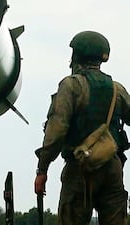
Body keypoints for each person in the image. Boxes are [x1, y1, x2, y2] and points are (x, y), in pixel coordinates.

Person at [34, 31, 129, 225]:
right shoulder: (116, 88)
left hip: (80, 168)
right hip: (112, 167)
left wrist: (42, 169)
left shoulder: (71, 86)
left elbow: (56, 131)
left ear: (77, 56)